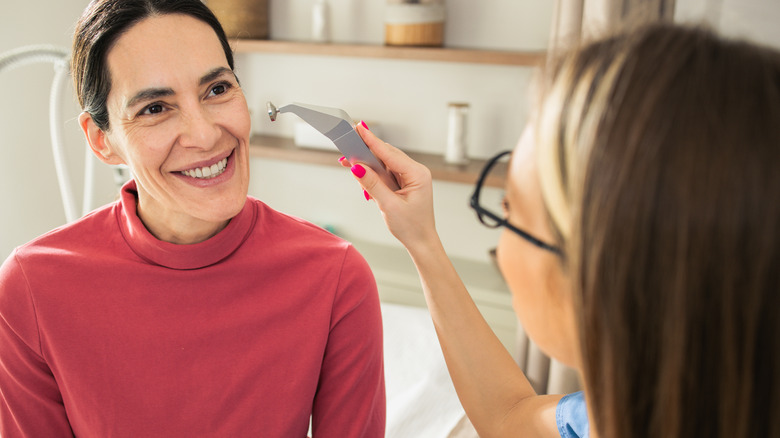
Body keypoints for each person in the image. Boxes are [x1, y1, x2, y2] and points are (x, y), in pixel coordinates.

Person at [342, 23, 780, 437]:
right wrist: (421, 240)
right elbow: (509, 418)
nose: (502, 249)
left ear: (604, 277)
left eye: (509, 209)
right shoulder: (611, 414)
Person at [0, 0, 385, 436]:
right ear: (101, 140)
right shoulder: (30, 290)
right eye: (154, 108)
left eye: (218, 89)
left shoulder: (335, 278)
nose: (205, 135)